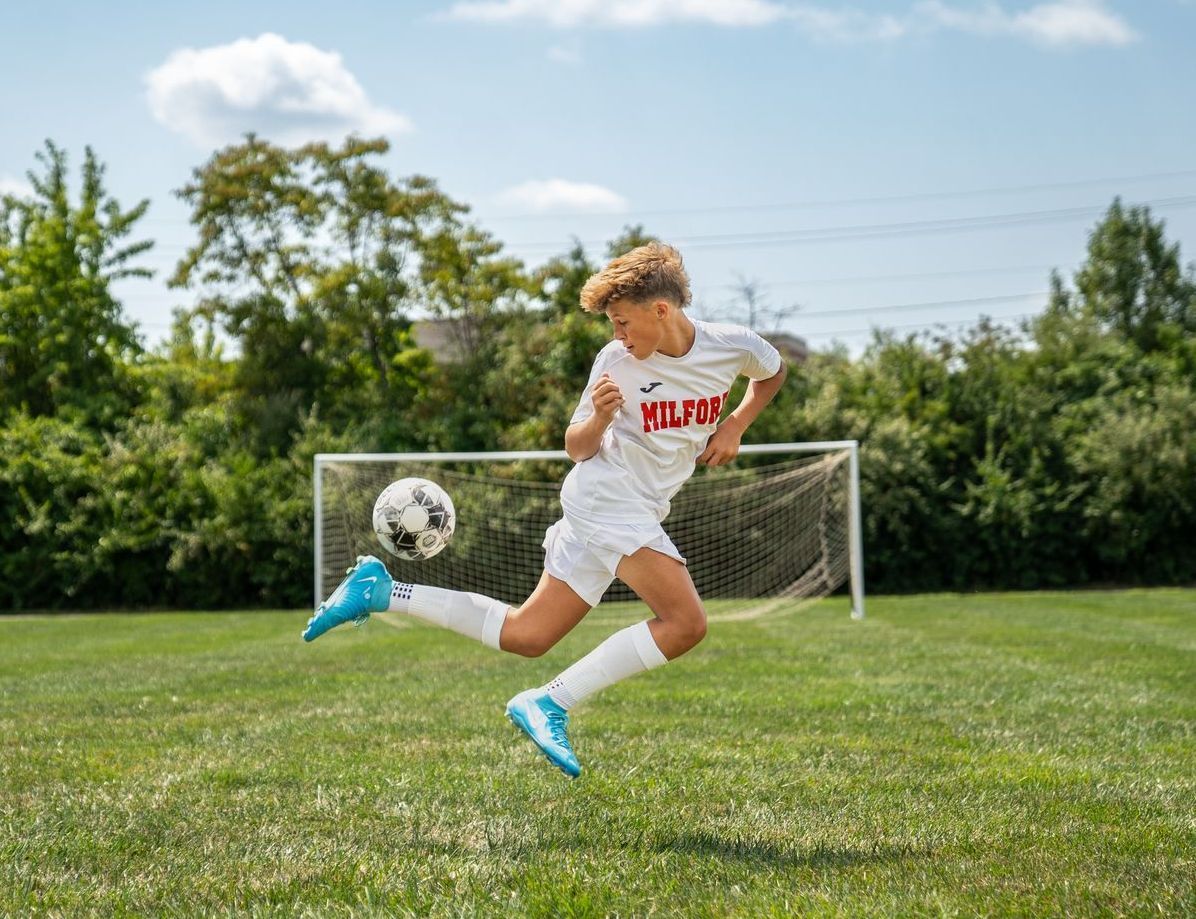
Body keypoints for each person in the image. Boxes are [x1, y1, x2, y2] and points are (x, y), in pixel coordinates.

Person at [303, 242, 787, 777]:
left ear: (662, 310)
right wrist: (600, 418)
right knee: (685, 623)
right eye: (612, 325)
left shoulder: (731, 345)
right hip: (605, 498)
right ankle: (550, 702)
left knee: (527, 634)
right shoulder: (615, 362)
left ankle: (380, 591)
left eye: (623, 322)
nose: (617, 335)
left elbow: (772, 370)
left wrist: (737, 424)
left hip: (638, 508)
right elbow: (576, 446)